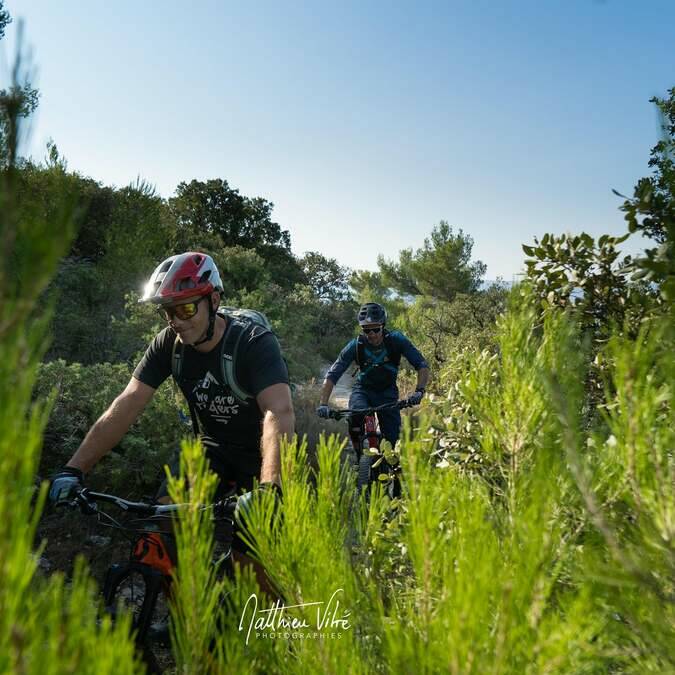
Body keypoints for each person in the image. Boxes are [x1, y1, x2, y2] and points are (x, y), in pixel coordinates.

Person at [49, 252, 294, 565]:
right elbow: (126, 404)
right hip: (211, 448)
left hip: (259, 453)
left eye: (186, 308)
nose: (176, 320)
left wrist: (269, 487)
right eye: (168, 311)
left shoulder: (253, 342)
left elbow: (278, 412)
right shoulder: (169, 344)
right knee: (165, 525)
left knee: (253, 558)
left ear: (214, 300)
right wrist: (74, 470)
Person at [316, 302, 429, 452]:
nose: (372, 334)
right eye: (366, 330)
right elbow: (332, 375)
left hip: (388, 392)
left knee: (392, 441)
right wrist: (323, 404)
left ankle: (392, 471)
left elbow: (422, 364)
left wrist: (419, 391)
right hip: (362, 390)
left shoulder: (396, 340)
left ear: (383, 325)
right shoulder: (356, 345)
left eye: (376, 329)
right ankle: (358, 456)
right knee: (355, 419)